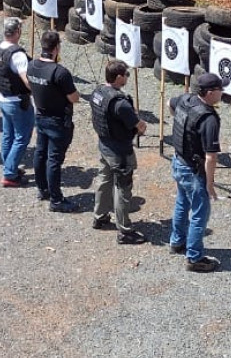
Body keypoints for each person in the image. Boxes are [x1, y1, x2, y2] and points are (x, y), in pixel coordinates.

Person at [168, 72, 225, 272]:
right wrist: (210, 184)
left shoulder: (185, 99)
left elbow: (170, 103)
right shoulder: (208, 118)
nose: (222, 92)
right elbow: (211, 156)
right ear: (210, 93)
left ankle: (177, 242)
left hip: (179, 161)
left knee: (182, 203)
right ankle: (194, 257)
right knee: (200, 214)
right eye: (220, 89)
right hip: (193, 170)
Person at [90, 59, 148, 245]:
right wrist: (141, 124)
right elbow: (139, 126)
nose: (127, 78)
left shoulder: (98, 93)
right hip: (120, 151)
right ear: (118, 77)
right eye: (126, 75)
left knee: (104, 179)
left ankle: (99, 216)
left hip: (104, 145)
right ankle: (124, 231)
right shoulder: (120, 103)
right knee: (123, 189)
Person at [27, 31, 80, 213]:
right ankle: (56, 200)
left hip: (40, 117)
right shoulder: (60, 72)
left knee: (40, 153)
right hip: (58, 121)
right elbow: (74, 98)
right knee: (54, 160)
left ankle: (43, 189)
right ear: (56, 47)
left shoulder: (31, 65)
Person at [0, 17, 34, 188]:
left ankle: (9, 166)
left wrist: (2, 81)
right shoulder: (18, 54)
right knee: (22, 137)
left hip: (3, 98)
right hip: (17, 100)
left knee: (8, 135)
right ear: (17, 32)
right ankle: (9, 173)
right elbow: (27, 80)